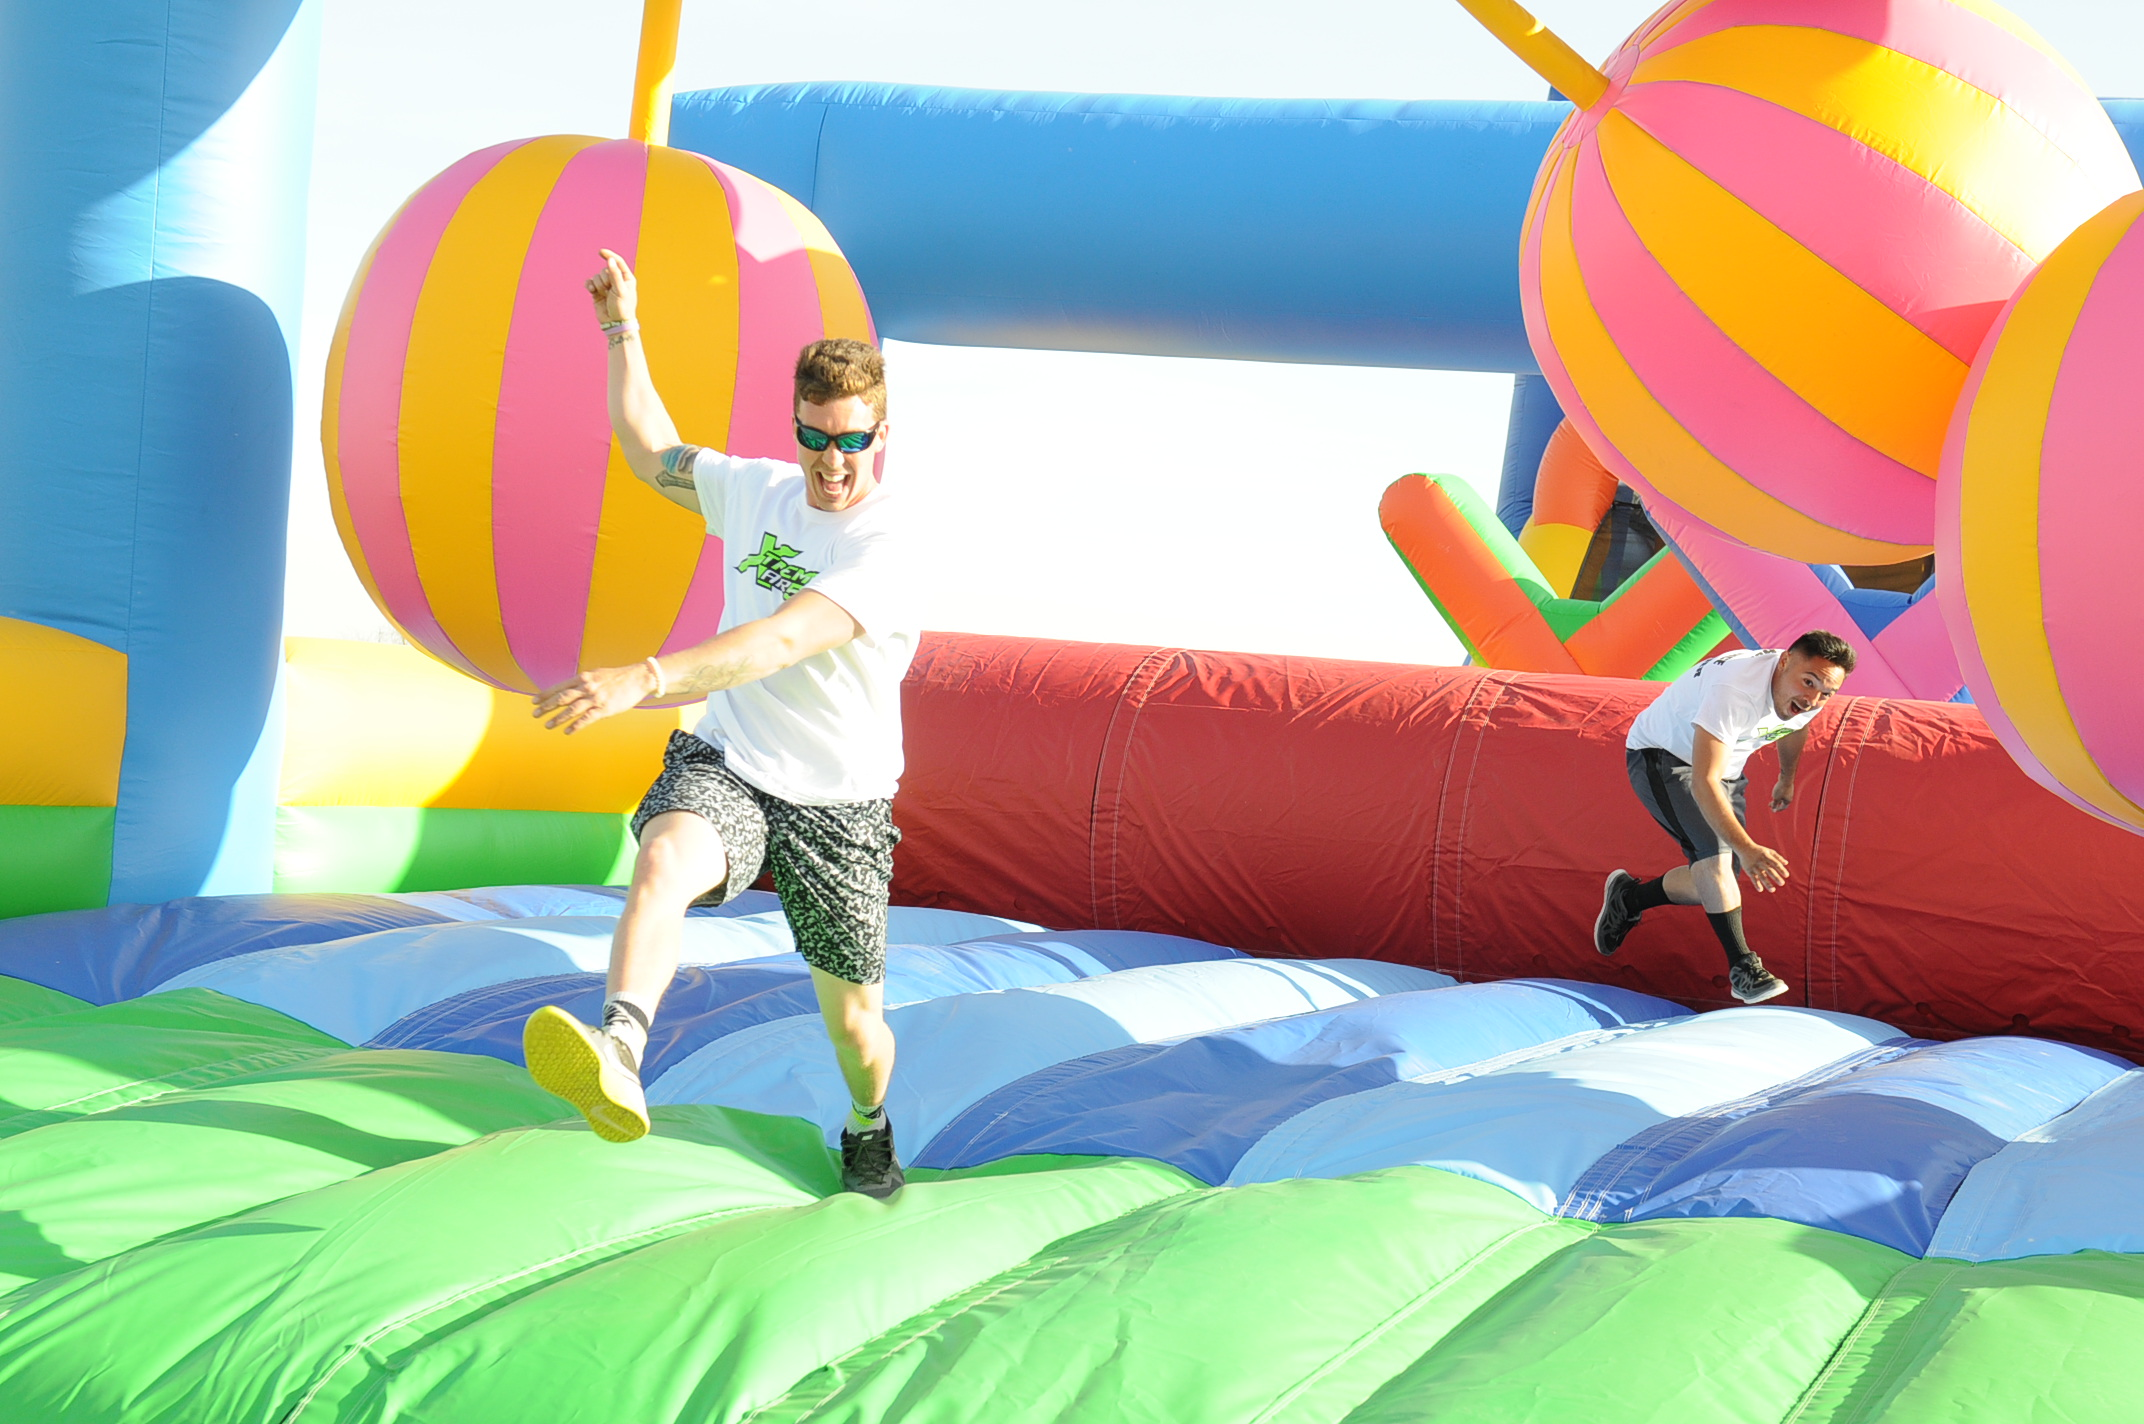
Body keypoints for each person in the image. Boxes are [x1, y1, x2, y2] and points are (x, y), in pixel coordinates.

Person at [519, 247, 915, 1199]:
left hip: (840, 802)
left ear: (881, 435)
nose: (832, 460)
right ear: (797, 427)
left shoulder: (886, 545)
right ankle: (619, 1048)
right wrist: (624, 327)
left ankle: (868, 1124)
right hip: (732, 756)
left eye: (852, 441)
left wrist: (646, 675)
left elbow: (779, 642)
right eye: (816, 437)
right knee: (662, 858)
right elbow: (649, 449)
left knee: (856, 1028)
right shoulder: (757, 490)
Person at [1593, 631, 1855, 1004]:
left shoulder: (1804, 696)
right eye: (1808, 683)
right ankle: (1743, 967)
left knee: (1714, 886)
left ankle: (1629, 899)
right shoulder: (1735, 691)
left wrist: (1787, 778)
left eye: (1825, 693)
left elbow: (1796, 728)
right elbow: (1703, 781)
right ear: (1784, 662)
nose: (1813, 699)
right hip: (1665, 756)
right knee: (1716, 864)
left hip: (1722, 770)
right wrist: (1746, 848)